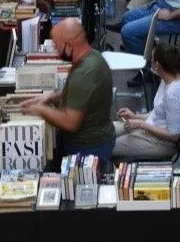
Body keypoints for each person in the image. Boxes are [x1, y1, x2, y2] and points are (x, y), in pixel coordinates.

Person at [21, 18, 115, 161]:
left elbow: (70, 123)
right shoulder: (94, 56)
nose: (56, 51)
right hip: (98, 139)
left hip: (87, 149)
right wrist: (51, 97)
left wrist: (41, 110)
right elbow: (81, 95)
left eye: (57, 45)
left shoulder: (83, 73)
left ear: (69, 46)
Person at [113, 43, 180, 159]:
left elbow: (174, 134)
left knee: (108, 146)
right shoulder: (172, 77)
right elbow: (159, 114)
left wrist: (141, 124)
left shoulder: (173, 94)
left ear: (158, 66)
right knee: (107, 132)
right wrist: (135, 116)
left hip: (161, 142)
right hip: (151, 128)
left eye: (152, 59)